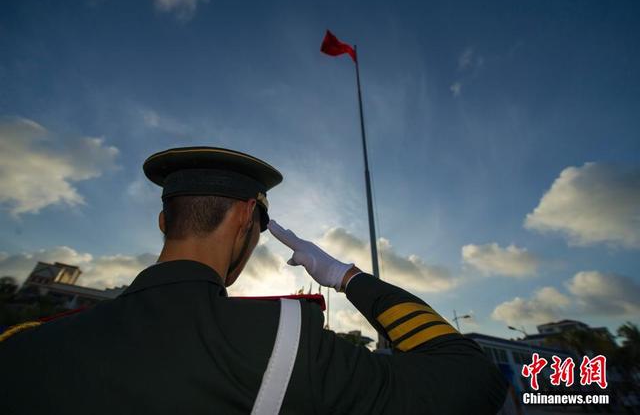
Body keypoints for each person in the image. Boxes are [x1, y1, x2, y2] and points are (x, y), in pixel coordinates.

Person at [0, 146, 507, 414]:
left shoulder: (24, 346)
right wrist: (344, 276)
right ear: (246, 220)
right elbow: (467, 378)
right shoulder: (286, 343)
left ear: (162, 223)